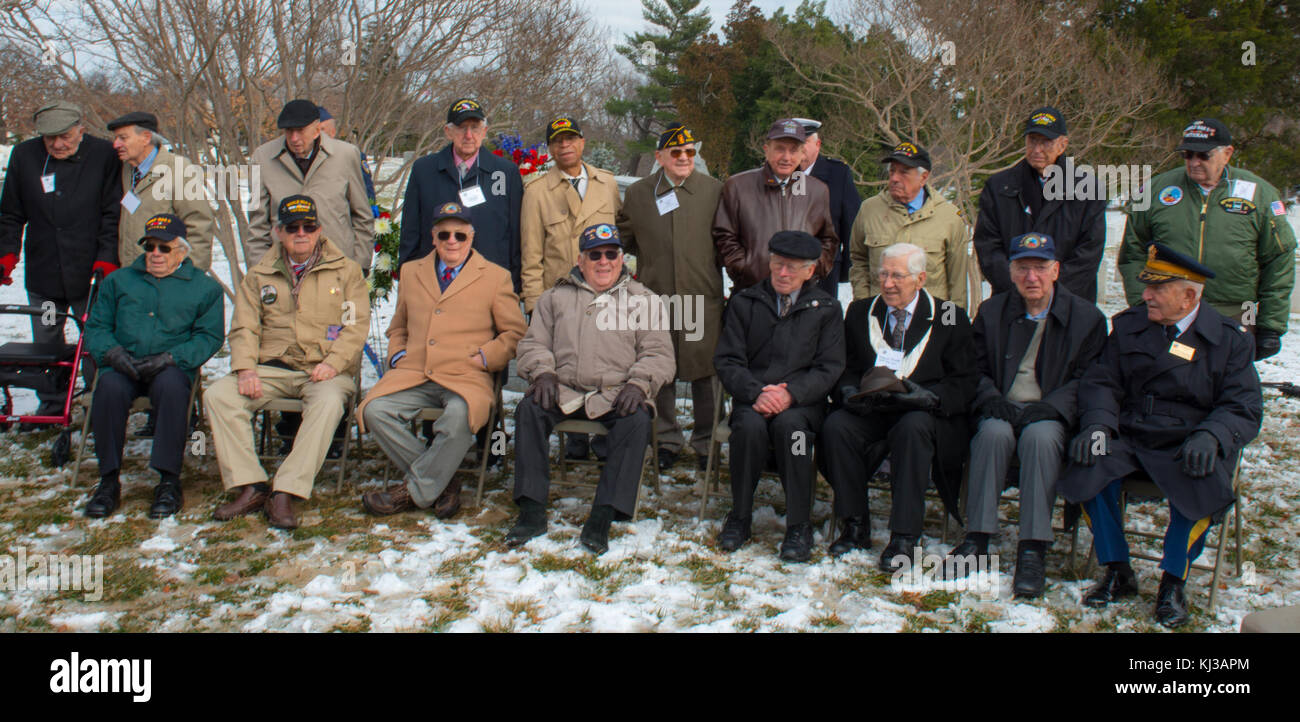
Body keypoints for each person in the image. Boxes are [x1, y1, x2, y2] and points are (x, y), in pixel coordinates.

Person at [1062, 243, 1262, 628]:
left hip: (1188, 440)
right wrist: (1099, 425)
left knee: (1199, 478)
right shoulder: (1129, 326)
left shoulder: (1229, 339)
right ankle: (1117, 569)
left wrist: (1214, 436)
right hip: (1134, 434)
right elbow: (1102, 382)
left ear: (1189, 296)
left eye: (1157, 289)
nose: (1146, 296)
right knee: (1088, 462)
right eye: (1147, 287)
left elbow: (1244, 405)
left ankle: (1173, 581)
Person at [949, 232, 1106, 597]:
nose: (1031, 277)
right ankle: (978, 537)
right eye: (1022, 268)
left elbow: (1092, 378)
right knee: (992, 434)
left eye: (1039, 268)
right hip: (1002, 406)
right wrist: (989, 397)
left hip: (1050, 410)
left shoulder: (1087, 318)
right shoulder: (992, 311)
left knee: (1039, 438)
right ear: (1011, 271)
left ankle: (1033, 546)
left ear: (1056, 270)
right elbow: (974, 367)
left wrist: (1054, 407)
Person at [507, 223, 675, 554]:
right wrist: (542, 372)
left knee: (637, 421)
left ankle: (603, 515)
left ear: (622, 259)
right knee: (528, 410)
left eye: (611, 254)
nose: (603, 261)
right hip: (564, 388)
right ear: (581, 260)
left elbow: (659, 354)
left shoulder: (645, 300)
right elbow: (533, 343)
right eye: (594, 255)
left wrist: (640, 384)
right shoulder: (555, 297)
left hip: (617, 393)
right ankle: (531, 509)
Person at [205, 195, 369, 529]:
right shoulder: (259, 275)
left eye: (308, 226)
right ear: (278, 231)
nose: (301, 233)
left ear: (319, 229)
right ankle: (250, 484)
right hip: (272, 367)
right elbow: (244, 326)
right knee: (218, 396)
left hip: (323, 369)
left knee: (327, 404)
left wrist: (334, 364)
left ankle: (287, 490)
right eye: (292, 227)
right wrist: (246, 368)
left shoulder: (346, 271)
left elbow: (355, 327)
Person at [357, 202, 526, 519]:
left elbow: (514, 333)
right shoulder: (411, 271)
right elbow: (399, 326)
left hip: (466, 374)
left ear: (471, 237)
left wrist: (486, 357)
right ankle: (442, 480)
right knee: (375, 410)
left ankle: (414, 490)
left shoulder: (495, 277)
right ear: (433, 237)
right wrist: (397, 352)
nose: (452, 241)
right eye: (444, 234)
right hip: (414, 371)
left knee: (459, 417)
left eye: (459, 235)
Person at [821, 243, 976, 568]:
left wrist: (930, 398)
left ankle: (904, 535)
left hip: (923, 411)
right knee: (837, 427)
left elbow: (963, 380)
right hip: (873, 407)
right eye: (884, 274)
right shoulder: (862, 311)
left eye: (897, 276)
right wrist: (848, 390)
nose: (888, 283)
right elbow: (845, 366)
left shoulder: (949, 316)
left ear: (920, 279)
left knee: (912, 429)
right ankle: (854, 524)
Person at [712, 231, 845, 562]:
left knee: (795, 434)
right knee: (748, 430)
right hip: (752, 399)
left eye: (793, 267)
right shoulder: (745, 303)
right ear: (769, 263)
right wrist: (756, 392)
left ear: (810, 271)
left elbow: (830, 367)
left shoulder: (826, 309)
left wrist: (792, 395)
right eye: (778, 264)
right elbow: (728, 360)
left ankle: (799, 524)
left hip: (801, 406)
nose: (783, 274)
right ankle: (740, 516)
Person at [81, 214, 224, 519]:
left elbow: (209, 336)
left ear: (182, 251)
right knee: (107, 388)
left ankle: (169, 480)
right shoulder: (118, 281)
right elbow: (96, 327)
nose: (156, 254)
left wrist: (173, 358)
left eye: (164, 248)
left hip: (169, 366)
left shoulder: (203, 288)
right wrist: (113, 353)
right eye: (150, 247)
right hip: (124, 363)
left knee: (173, 389)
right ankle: (108, 481)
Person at [1118, 118, 1296, 360]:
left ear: (1227, 153)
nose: (1194, 162)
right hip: (1172, 309)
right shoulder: (1157, 190)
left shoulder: (1260, 194)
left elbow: (1278, 259)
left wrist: (1271, 324)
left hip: (1236, 311)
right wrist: (1143, 301)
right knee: (1172, 378)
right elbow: (1133, 251)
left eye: (1203, 155)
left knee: (1229, 384)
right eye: (1187, 155)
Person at [0, 100, 121, 420]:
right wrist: (7, 254)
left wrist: (107, 257)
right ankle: (52, 405)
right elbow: (11, 214)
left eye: (65, 135)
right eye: (49, 137)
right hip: (45, 273)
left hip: (90, 272)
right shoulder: (24, 157)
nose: (57, 143)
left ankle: (100, 404)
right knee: (47, 341)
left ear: (81, 128)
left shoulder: (104, 155)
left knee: (96, 340)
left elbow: (113, 213)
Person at [616, 123, 724, 471]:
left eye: (689, 152)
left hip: (699, 298)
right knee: (658, 369)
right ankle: (665, 438)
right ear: (660, 156)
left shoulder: (715, 191)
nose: (683, 158)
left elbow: (725, 242)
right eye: (675, 152)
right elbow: (626, 240)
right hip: (656, 297)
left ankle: (707, 441)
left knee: (704, 372)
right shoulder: (638, 194)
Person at [973, 106, 1107, 302]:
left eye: (1046, 142)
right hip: (1011, 302)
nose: (1037, 149)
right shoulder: (999, 188)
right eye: (1032, 141)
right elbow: (988, 246)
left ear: (1063, 144)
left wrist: (1048, 291)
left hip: (1069, 304)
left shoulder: (1088, 190)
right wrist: (1021, 286)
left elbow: (1089, 253)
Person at [399, 98, 524, 292]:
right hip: (435, 285)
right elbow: (410, 232)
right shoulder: (424, 170)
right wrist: (408, 281)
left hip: (489, 285)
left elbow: (515, 236)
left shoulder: (505, 172)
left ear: (484, 131)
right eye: (461, 127)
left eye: (474, 127)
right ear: (448, 131)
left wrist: (513, 287)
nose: (468, 135)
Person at [246, 99, 375, 273]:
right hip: (284, 271)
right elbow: (257, 225)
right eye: (288, 131)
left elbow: (362, 216)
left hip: (337, 267)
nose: (294, 138)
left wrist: (361, 264)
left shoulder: (346, 155)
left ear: (316, 130)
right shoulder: (261, 158)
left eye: (300, 131)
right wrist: (260, 271)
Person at [712, 118, 837, 291]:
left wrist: (812, 271)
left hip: (800, 295)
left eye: (793, 150)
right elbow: (724, 236)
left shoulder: (817, 191)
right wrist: (744, 268)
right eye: (780, 149)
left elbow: (827, 239)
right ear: (766, 150)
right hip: (752, 292)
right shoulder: (738, 186)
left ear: (802, 153)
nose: (786, 157)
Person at [848, 141, 969, 307]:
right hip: (881, 316)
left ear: (923, 177)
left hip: (930, 320)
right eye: (892, 171)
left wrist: (950, 325)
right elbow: (859, 260)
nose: (894, 178)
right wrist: (863, 304)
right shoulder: (869, 210)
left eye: (904, 173)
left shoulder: (948, 217)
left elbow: (957, 282)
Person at [519, 116, 620, 313]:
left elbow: (622, 236)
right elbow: (531, 256)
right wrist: (534, 306)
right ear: (550, 149)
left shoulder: (608, 184)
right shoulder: (536, 192)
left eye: (570, 139)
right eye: (557, 141)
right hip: (560, 299)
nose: (565, 145)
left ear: (582, 142)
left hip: (605, 298)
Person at [108, 112, 215, 272]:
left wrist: (188, 276)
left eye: (123, 138)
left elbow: (198, 226)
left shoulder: (177, 169)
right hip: (133, 279)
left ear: (145, 137)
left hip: (167, 281)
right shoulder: (127, 170)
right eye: (115, 138)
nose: (116, 144)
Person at [796, 118, 861, 296]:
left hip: (825, 266)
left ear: (818, 144)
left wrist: (847, 267)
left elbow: (851, 221)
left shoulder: (838, 173)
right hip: (786, 266)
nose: (799, 147)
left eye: (805, 142)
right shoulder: (782, 175)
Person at [318, 105, 376, 210]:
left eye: (322, 129)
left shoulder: (351, 155)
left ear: (332, 132)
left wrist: (370, 207)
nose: (318, 134)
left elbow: (366, 189)